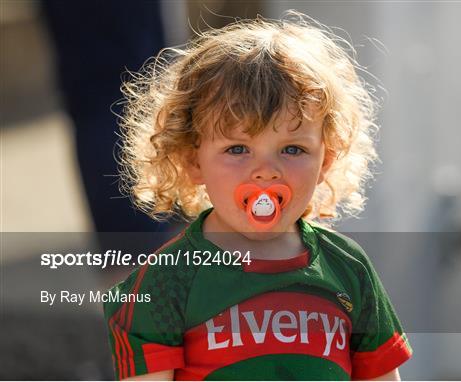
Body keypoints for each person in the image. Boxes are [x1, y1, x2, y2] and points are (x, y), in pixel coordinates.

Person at [103, 12, 413, 380]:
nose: (266, 171)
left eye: (293, 149)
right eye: (237, 149)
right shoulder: (164, 282)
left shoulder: (348, 269)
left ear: (325, 161)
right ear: (192, 160)